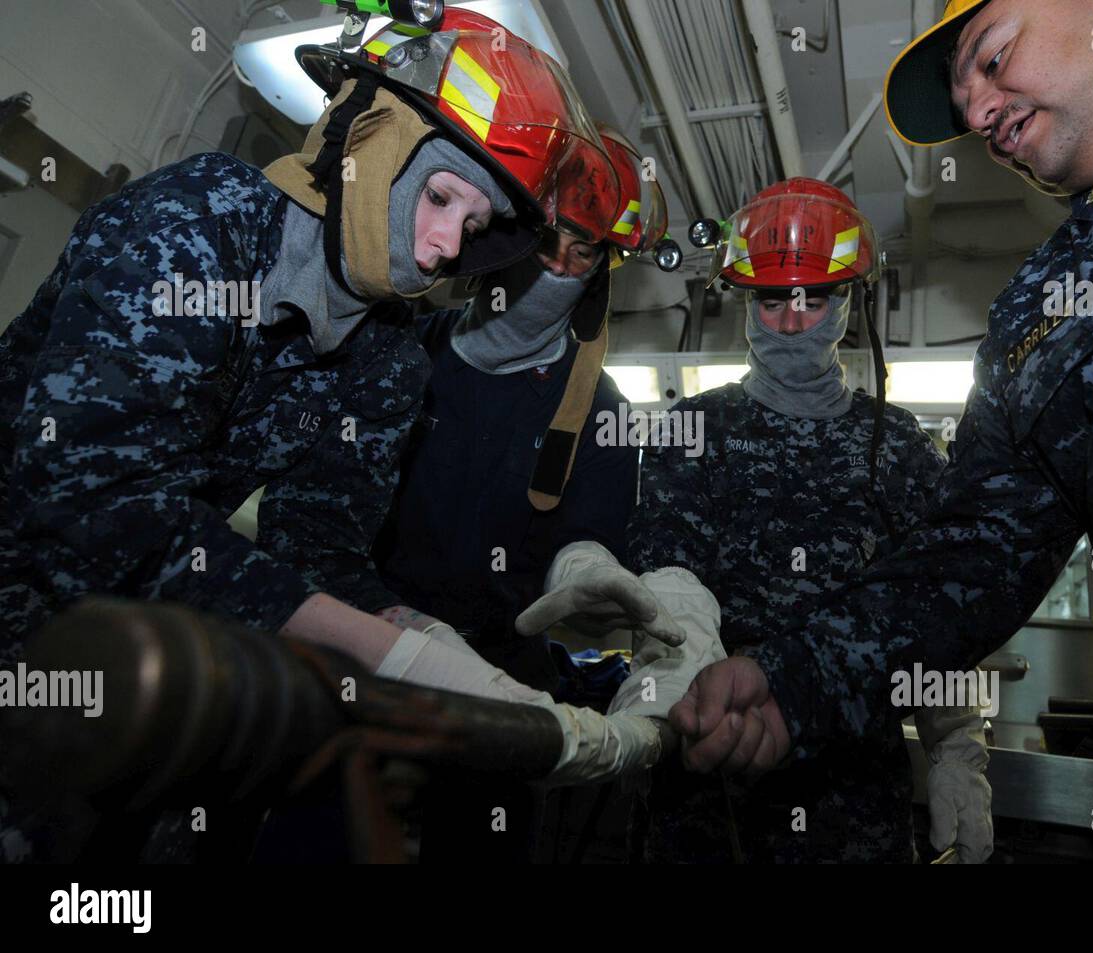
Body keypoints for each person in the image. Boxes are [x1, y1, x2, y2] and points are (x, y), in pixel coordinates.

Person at [0, 11, 661, 862]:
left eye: (474, 224)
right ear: (366, 141)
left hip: (149, 666)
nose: (441, 247)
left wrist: (419, 635)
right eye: (438, 196)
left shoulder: (386, 360)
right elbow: (94, 505)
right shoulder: (193, 227)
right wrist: (381, 647)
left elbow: (319, 546)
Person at [669, 0, 1093, 862]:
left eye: (993, 58)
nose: (976, 116)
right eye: (963, 105)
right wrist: (793, 680)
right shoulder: (1043, 310)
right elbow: (970, 556)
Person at [607, 178, 992, 863]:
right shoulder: (694, 428)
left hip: (853, 804)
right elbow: (667, 590)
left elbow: (935, 607)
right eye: (773, 298)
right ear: (745, 303)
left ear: (849, 304)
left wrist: (957, 745)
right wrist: (665, 697)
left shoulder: (899, 447)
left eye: (814, 298)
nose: (792, 320)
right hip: (707, 794)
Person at [371, 123, 683, 697]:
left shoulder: (600, 410)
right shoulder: (400, 351)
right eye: (546, 241)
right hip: (367, 637)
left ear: (598, 273)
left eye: (581, 252)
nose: (558, 269)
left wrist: (585, 570)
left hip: (498, 672)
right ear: (507, 238)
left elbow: (586, 536)